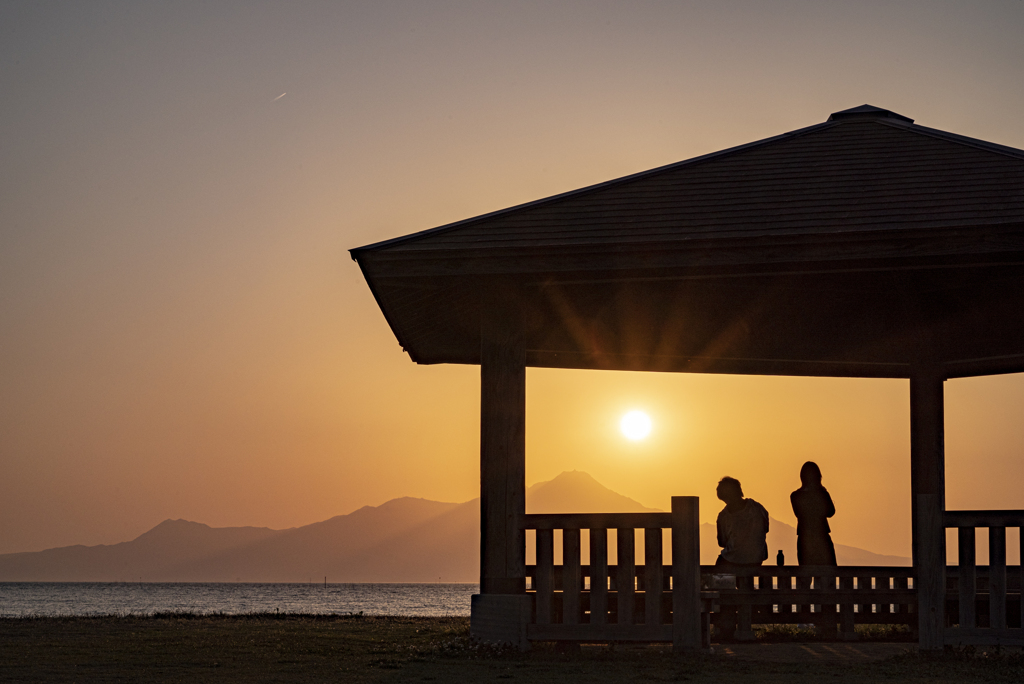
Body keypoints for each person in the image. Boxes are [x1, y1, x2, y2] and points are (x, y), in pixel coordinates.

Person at [715, 476, 770, 569]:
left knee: (717, 573)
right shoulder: (758, 508)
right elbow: (766, 529)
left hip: (732, 559)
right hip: (756, 559)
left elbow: (722, 542)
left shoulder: (724, 516)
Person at [790, 461, 837, 566]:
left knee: (805, 576)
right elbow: (831, 512)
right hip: (822, 537)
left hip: (804, 538)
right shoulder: (822, 494)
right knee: (828, 574)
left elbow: (798, 514)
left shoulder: (795, 496)